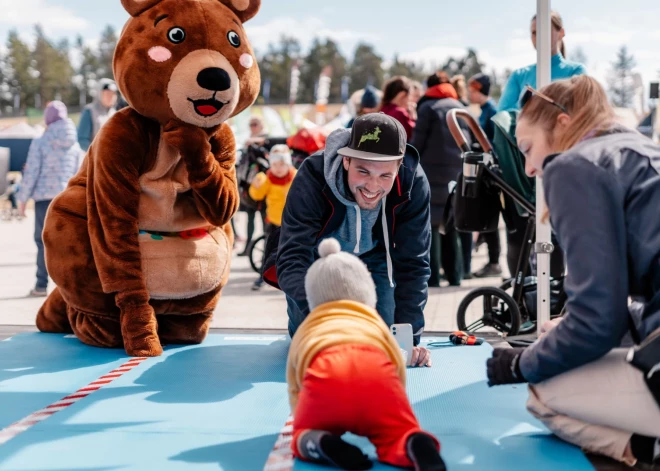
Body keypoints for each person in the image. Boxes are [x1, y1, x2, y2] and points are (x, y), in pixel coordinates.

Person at [486, 75, 660, 467]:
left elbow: (597, 322)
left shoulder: (574, 166)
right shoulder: (639, 150)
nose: (530, 169)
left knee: (543, 391)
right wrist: (569, 330)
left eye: (528, 149)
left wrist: (518, 362)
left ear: (563, 124)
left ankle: (647, 451)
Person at [264, 113, 433, 357]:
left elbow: (414, 263)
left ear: (399, 166)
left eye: (385, 175)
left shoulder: (412, 182)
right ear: (346, 161)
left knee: (386, 344)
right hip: (318, 257)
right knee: (316, 344)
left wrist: (409, 339)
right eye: (363, 172)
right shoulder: (312, 175)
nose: (373, 187)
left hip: (376, 255)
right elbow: (293, 255)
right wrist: (323, 316)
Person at [288, 238, 446, 471]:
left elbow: (295, 380)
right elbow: (396, 364)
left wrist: (303, 416)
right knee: (397, 433)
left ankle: (318, 441)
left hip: (326, 379)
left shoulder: (310, 326)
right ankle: (411, 442)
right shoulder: (374, 323)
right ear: (367, 291)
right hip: (376, 375)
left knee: (301, 437)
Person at [410, 73, 471, 287]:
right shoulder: (461, 106)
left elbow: (417, 143)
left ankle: (433, 278)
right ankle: (456, 276)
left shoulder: (428, 108)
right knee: (452, 224)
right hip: (457, 172)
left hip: (431, 173)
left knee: (432, 225)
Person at [17, 101, 82, 296]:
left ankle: (40, 285)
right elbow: (78, 171)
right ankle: (68, 288)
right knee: (66, 242)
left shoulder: (41, 140)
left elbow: (32, 173)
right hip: (66, 198)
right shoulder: (75, 144)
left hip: (44, 200)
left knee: (43, 241)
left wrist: (22, 199)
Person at [497, 10, 586, 112]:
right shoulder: (518, 76)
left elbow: (579, 112)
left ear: (561, 33)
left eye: (545, 30)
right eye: (534, 33)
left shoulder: (576, 71)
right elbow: (502, 116)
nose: (539, 37)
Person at [468, 73, 503, 278]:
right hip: (486, 169)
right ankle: (493, 259)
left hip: (491, 172)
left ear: (479, 90)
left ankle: (494, 261)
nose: (469, 94)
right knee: (486, 216)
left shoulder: (491, 112)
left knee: (490, 216)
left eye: (472, 91)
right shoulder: (484, 111)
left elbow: (493, 144)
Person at [248, 145, 297, 290]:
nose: (279, 168)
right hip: (273, 220)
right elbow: (257, 195)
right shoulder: (267, 178)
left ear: (288, 163)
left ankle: (291, 276)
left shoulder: (296, 176)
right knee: (269, 249)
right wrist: (257, 185)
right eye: (275, 164)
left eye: (282, 164)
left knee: (293, 249)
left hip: (292, 220)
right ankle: (262, 275)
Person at [237, 116, 269, 256]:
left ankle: (266, 248)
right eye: (251, 124)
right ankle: (248, 248)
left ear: (261, 126)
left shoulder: (266, 140)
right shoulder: (247, 142)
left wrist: (254, 143)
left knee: (264, 220)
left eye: (255, 124)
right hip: (249, 186)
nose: (252, 127)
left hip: (263, 186)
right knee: (250, 218)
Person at [77, 78, 118, 151]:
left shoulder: (115, 113)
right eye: (107, 93)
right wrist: (98, 153)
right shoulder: (89, 111)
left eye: (113, 94)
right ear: (99, 94)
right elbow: (82, 139)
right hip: (94, 159)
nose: (111, 97)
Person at [380, 76, 416, 142]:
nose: (410, 100)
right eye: (410, 95)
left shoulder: (382, 109)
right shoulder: (400, 113)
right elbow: (414, 136)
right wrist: (413, 117)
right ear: (402, 95)